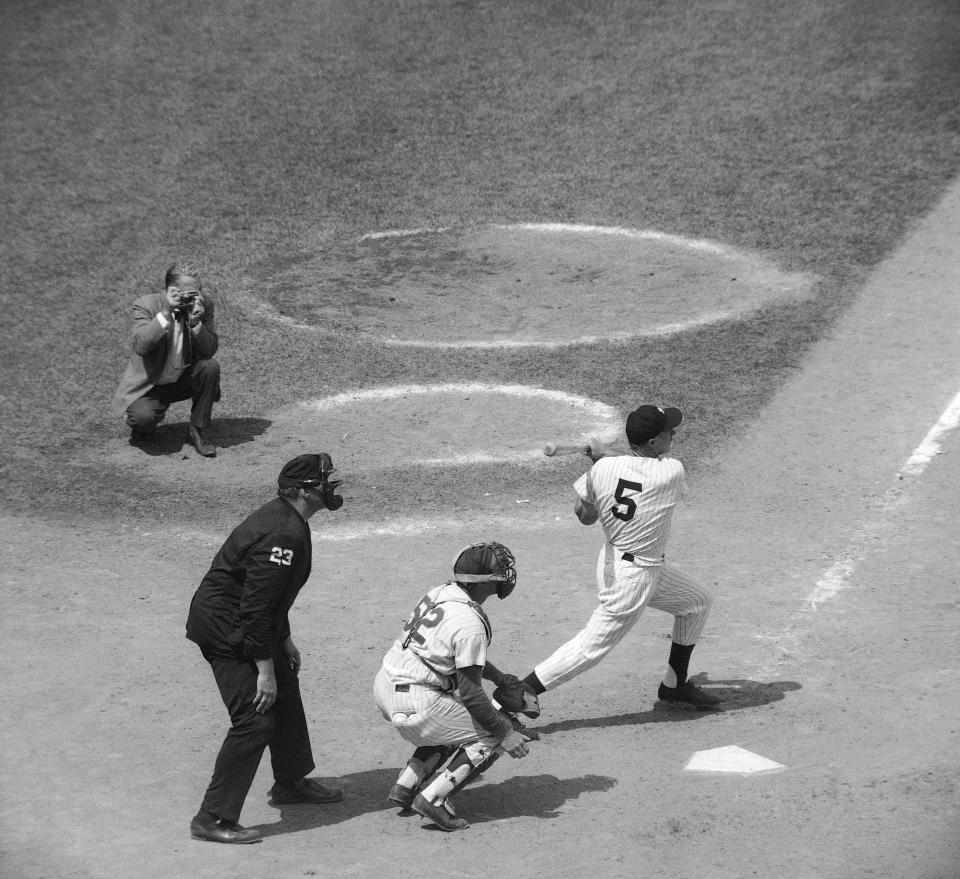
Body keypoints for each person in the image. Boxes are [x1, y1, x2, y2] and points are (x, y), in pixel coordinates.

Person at [185, 453, 346, 844]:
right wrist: (264, 669)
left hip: (247, 622)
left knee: (284, 689)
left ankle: (289, 783)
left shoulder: (292, 520)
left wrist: (284, 639)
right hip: (226, 630)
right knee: (255, 718)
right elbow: (254, 606)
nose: (332, 486)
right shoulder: (282, 533)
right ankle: (212, 818)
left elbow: (272, 596)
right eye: (325, 481)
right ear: (306, 491)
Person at [520, 405, 720, 711]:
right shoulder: (671, 471)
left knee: (697, 602)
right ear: (653, 442)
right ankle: (516, 693)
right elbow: (637, 468)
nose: (674, 433)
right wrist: (602, 453)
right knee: (591, 648)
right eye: (668, 430)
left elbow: (585, 516)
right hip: (633, 578)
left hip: (616, 561)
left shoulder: (601, 471)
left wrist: (595, 463)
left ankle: (674, 687)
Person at [374, 542, 533, 832]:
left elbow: (448, 653)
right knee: (493, 731)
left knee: (451, 711)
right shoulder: (471, 623)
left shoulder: (440, 592)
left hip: (387, 683)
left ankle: (407, 784)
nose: (505, 573)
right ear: (483, 581)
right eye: (498, 570)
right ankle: (432, 800)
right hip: (418, 703)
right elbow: (472, 695)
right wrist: (507, 732)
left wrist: (498, 677)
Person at [111, 262, 221, 457]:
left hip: (182, 378)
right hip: (150, 385)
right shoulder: (146, 305)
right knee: (143, 418)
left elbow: (209, 351)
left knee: (210, 367)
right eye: (190, 294)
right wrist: (165, 314)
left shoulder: (204, 305)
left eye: (199, 291)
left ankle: (197, 431)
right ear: (171, 290)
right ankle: (144, 426)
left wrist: (196, 323)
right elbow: (141, 346)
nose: (197, 298)